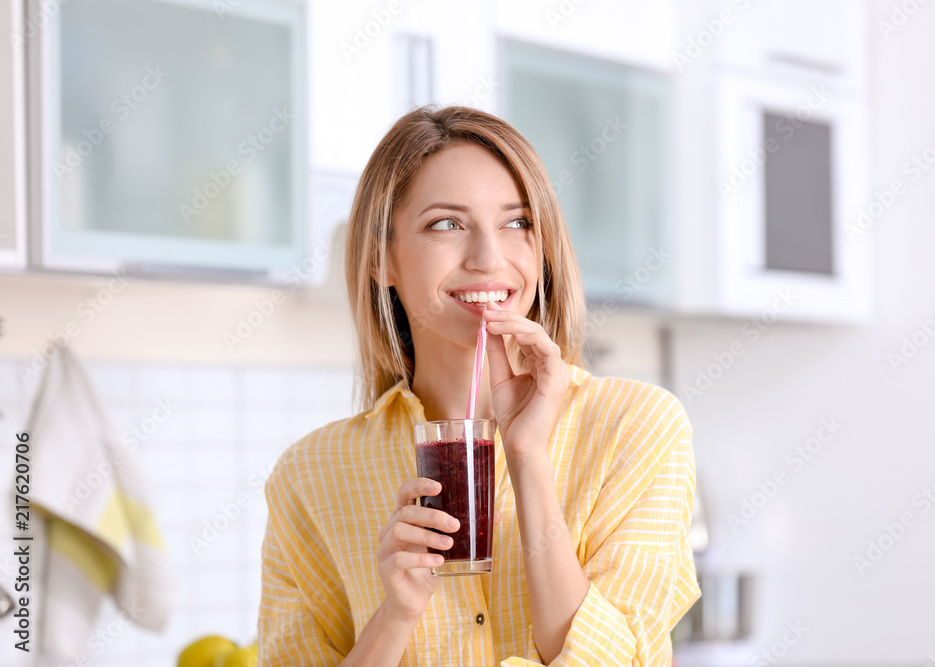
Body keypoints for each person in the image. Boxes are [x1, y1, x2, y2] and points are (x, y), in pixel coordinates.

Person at [258, 105, 700, 665]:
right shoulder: (312, 474)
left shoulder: (637, 426)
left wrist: (528, 457)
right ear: (380, 258)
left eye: (517, 223)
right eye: (446, 224)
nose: (489, 259)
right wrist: (394, 617)